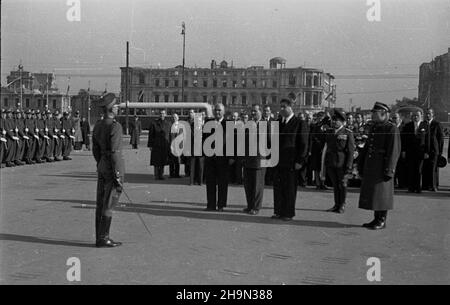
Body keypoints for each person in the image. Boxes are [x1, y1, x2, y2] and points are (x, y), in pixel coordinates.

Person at [358, 102, 400, 230]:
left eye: (374, 113)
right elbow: (367, 147)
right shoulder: (375, 127)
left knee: (383, 194)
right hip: (373, 166)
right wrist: (361, 163)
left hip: (383, 166)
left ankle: (382, 220)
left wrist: (389, 170)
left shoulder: (391, 129)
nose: (372, 115)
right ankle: (376, 218)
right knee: (375, 195)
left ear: (383, 113)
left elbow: (394, 151)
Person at [92, 92, 125, 248]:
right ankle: (104, 238)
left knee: (100, 203)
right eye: (116, 105)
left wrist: (101, 163)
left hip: (102, 166)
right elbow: (116, 153)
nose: (118, 107)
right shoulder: (115, 126)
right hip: (112, 168)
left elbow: (95, 150)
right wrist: (118, 174)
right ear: (111, 108)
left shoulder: (98, 125)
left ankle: (99, 236)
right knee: (109, 203)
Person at [272, 99, 309, 221]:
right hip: (278, 161)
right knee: (278, 188)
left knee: (289, 189)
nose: (281, 109)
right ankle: (278, 211)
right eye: (280, 107)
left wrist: (300, 161)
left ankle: (288, 213)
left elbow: (303, 143)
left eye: (284, 107)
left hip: (291, 162)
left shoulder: (299, 123)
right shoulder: (278, 122)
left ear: (290, 107)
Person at [321, 110, 355, 213]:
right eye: (333, 120)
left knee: (343, 185)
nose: (334, 122)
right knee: (335, 185)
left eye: (336, 120)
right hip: (331, 163)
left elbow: (350, 151)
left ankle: (342, 205)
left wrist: (349, 166)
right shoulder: (330, 132)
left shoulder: (348, 133)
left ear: (342, 121)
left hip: (342, 164)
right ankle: (336, 204)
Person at [242, 104, 270, 215]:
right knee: (248, 185)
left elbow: (270, 142)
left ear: (261, 112)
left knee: (257, 185)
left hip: (259, 159)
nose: (253, 113)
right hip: (248, 159)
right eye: (252, 111)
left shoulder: (266, 124)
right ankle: (249, 206)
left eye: (255, 111)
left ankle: (256, 207)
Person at [204, 103, 231, 212]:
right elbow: (204, 139)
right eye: (215, 110)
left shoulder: (228, 124)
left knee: (222, 182)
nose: (217, 112)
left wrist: (231, 157)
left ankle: (221, 205)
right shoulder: (208, 123)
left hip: (223, 158)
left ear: (224, 111)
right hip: (210, 157)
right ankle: (211, 204)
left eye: (219, 110)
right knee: (210, 182)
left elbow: (232, 142)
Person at [402, 110, 427, 193]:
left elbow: (427, 140)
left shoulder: (425, 125)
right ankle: (411, 187)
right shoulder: (408, 126)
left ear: (421, 116)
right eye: (414, 116)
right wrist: (404, 151)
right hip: (410, 151)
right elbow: (404, 140)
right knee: (411, 169)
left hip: (420, 151)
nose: (416, 117)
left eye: (417, 115)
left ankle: (418, 187)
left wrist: (427, 152)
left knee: (419, 170)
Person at [421, 108, 444, 191]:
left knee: (433, 169)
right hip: (425, 150)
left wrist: (440, 152)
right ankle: (425, 185)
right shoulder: (423, 124)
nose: (427, 115)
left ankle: (434, 186)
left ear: (433, 115)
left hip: (434, 150)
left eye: (429, 113)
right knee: (425, 168)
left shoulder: (437, 124)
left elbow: (441, 139)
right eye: (426, 113)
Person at [147, 110, 171, 180]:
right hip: (156, 145)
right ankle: (156, 175)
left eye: (163, 113)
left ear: (165, 114)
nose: (162, 115)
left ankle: (161, 174)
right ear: (159, 115)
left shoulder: (168, 123)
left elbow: (169, 135)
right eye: (161, 113)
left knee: (163, 160)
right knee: (156, 161)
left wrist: (170, 144)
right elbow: (151, 135)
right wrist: (150, 145)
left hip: (164, 145)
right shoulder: (154, 123)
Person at [309, 112, 328, 190]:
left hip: (325, 148)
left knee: (323, 166)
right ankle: (317, 183)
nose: (320, 119)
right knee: (316, 167)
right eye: (319, 117)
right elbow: (312, 136)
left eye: (322, 117)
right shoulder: (314, 126)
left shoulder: (327, 126)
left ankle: (323, 183)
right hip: (316, 148)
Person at [391, 112, 407, 188]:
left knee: (401, 168)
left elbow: (405, 141)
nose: (394, 120)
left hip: (401, 151)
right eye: (393, 118)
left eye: (396, 118)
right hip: (392, 151)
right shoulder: (390, 128)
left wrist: (404, 151)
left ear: (400, 119)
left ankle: (402, 183)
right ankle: (393, 183)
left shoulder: (404, 128)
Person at [169, 113, 181, 178]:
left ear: (178, 118)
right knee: (171, 161)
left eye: (176, 117)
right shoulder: (170, 125)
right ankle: (171, 174)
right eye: (173, 117)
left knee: (177, 161)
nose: (174, 118)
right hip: (172, 145)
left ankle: (177, 174)